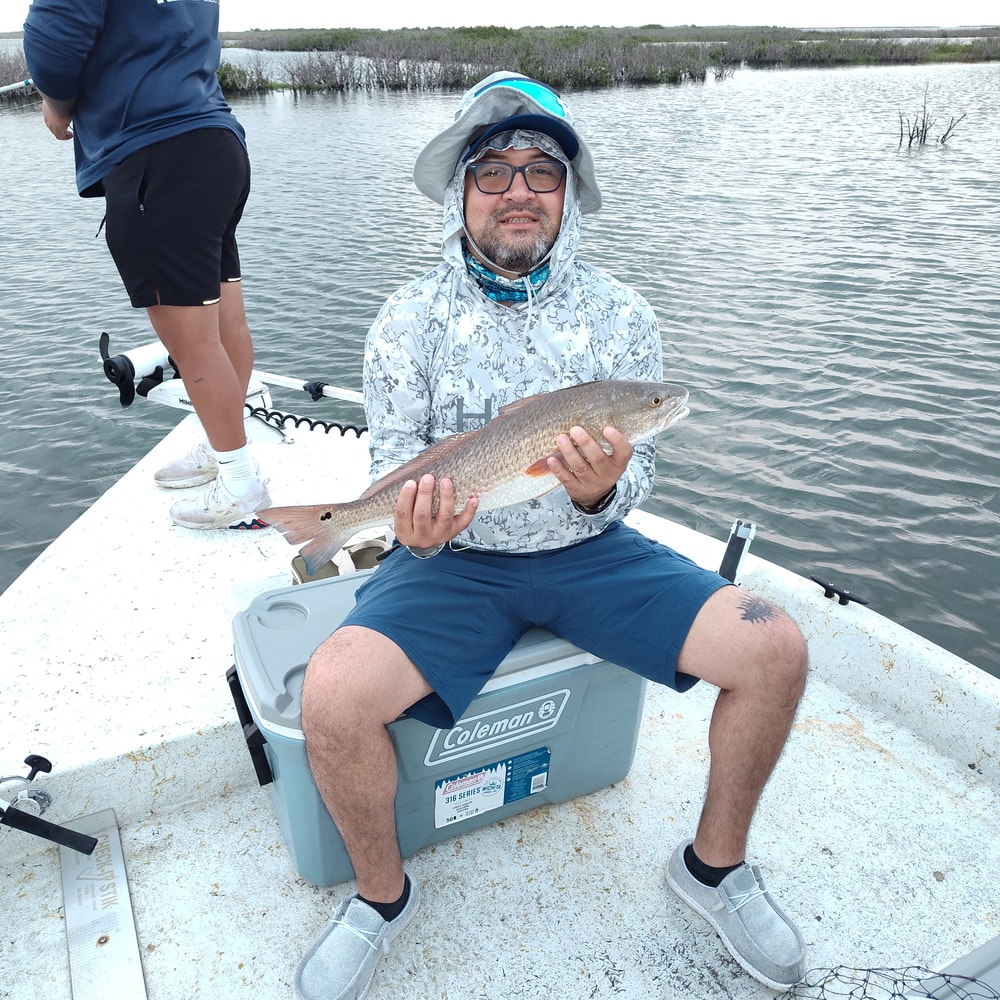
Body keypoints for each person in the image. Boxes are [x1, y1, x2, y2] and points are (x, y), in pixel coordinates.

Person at [292, 73, 809, 1000]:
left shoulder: (622, 316)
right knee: (329, 696)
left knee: (776, 649)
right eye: (493, 171)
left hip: (591, 551)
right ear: (461, 189)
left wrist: (602, 488)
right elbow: (400, 462)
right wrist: (413, 530)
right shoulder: (406, 320)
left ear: (570, 193)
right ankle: (380, 898)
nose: (518, 190)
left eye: (542, 170)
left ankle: (714, 868)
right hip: (455, 564)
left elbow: (642, 473)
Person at [22, 0, 270, 530]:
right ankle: (223, 446)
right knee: (225, 319)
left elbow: (54, 34)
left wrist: (56, 103)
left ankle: (240, 485)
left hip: (157, 155)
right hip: (216, 144)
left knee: (191, 340)